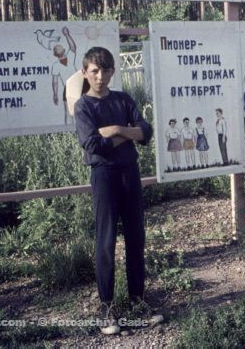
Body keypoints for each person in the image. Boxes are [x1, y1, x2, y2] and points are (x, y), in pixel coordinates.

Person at [73, 47, 162, 335]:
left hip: (129, 173)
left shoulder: (123, 99)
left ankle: (138, 301)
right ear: (85, 72)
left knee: (136, 237)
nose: (100, 76)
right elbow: (92, 145)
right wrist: (127, 132)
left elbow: (146, 132)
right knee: (106, 241)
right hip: (104, 176)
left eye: (105, 70)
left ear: (112, 71)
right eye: (94, 71)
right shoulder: (84, 107)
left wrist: (114, 130)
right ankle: (107, 307)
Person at [50, 27, 78, 125]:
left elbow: (73, 47)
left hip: (74, 87)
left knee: (74, 112)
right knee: (74, 113)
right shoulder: (59, 63)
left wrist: (67, 35)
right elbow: (55, 82)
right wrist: (55, 94)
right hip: (73, 87)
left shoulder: (67, 57)